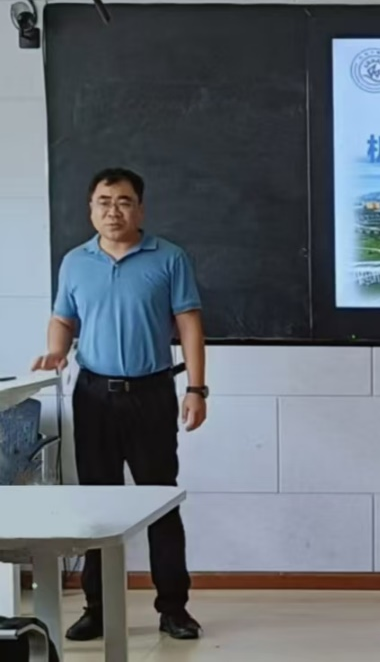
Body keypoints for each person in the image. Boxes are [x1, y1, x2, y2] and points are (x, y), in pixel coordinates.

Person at [32, 168, 208, 641]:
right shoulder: (75, 262)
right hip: (93, 397)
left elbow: (189, 324)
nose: (114, 211)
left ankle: (174, 609)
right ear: (91, 209)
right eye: (104, 202)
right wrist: (56, 351)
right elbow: (63, 318)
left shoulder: (169, 258)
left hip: (151, 395)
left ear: (140, 209)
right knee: (98, 506)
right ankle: (98, 608)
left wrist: (197, 389)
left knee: (159, 501)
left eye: (124, 202)